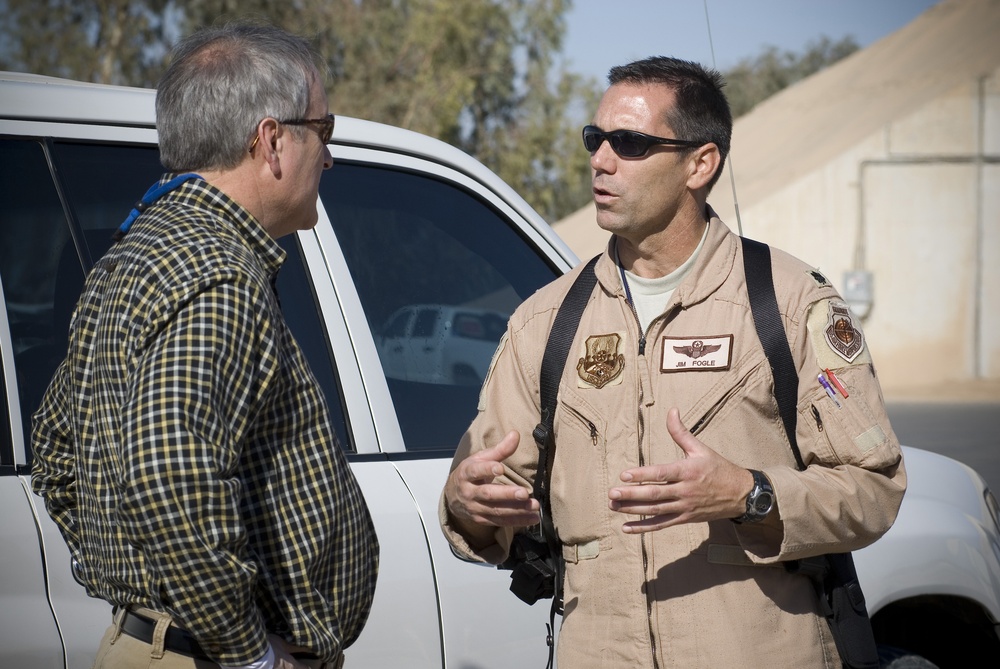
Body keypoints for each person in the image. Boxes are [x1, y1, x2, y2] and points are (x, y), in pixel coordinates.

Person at [440, 56, 906, 668]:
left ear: (700, 163)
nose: (600, 161)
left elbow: (873, 488)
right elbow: (484, 493)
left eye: (629, 143)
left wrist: (749, 495)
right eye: (595, 139)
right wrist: (468, 504)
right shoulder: (544, 322)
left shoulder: (789, 304)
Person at [31, 22, 378, 669]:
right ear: (271, 140)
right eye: (322, 133)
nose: (328, 157)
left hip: (163, 644)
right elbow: (168, 473)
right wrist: (246, 651)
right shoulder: (217, 271)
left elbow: (56, 445)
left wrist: (145, 573)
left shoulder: (132, 259)